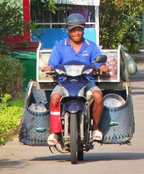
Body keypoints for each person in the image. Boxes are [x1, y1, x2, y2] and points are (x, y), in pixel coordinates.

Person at [42, 13, 109, 146]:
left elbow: (99, 62)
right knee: (54, 98)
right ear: (68, 30)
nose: (77, 32)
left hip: (86, 82)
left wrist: (102, 66)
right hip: (64, 83)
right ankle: (55, 131)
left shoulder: (91, 46)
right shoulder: (60, 47)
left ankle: (95, 128)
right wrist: (49, 67)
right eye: (73, 30)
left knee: (98, 96)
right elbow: (52, 64)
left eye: (79, 29)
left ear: (83, 30)